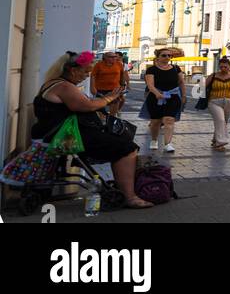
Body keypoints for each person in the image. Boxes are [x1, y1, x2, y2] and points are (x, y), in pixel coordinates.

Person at [33, 50, 152, 209]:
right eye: (85, 71)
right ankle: (130, 197)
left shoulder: (54, 83)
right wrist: (108, 98)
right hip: (65, 137)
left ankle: (123, 187)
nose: (87, 75)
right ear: (73, 70)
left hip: (59, 133)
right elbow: (86, 105)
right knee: (127, 148)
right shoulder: (64, 86)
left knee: (120, 143)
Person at [143, 48, 186, 154]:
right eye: (164, 55)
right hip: (155, 98)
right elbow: (150, 85)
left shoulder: (176, 68)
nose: (167, 57)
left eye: (169, 56)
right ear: (158, 57)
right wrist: (158, 94)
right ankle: (154, 140)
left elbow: (181, 82)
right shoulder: (151, 70)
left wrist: (184, 95)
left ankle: (168, 144)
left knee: (169, 120)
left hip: (173, 97)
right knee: (155, 122)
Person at [205, 57, 230, 151]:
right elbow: (202, 87)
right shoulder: (213, 76)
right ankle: (220, 143)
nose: (223, 69)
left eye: (225, 67)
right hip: (214, 101)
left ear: (229, 66)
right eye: (221, 67)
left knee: (223, 122)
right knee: (221, 120)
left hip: (229, 102)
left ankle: (215, 140)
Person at [89, 51, 128, 116]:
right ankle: (101, 121)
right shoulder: (99, 65)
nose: (114, 58)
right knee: (101, 109)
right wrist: (92, 87)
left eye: (115, 57)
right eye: (111, 57)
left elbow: (122, 74)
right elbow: (93, 76)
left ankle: (111, 121)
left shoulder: (119, 64)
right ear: (105, 57)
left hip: (115, 89)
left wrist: (123, 84)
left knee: (114, 108)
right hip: (101, 89)